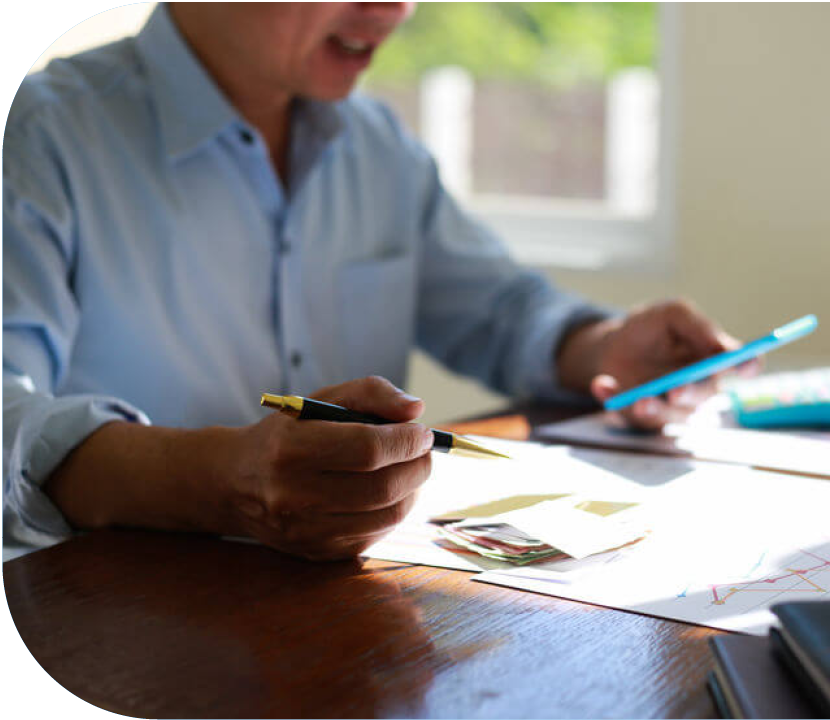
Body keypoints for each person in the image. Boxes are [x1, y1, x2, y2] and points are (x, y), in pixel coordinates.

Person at [3, 3, 747, 560]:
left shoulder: (378, 145)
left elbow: (500, 311)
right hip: (110, 628)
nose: (397, 9)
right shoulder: (35, 137)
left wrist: (610, 347)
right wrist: (220, 478)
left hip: (343, 625)